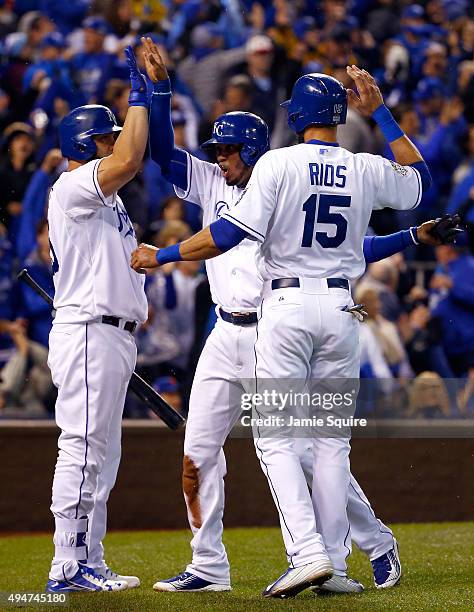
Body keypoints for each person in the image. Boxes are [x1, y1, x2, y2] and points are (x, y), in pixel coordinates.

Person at [133, 42, 436, 596]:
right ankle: (214, 566)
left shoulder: (277, 169)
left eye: (227, 149)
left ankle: (347, 548)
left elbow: (229, 236)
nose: (219, 158)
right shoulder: (342, 168)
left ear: (276, 130)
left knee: (293, 446)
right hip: (269, 322)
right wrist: (157, 92)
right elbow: (412, 192)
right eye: (216, 150)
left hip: (281, 318)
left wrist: (166, 255)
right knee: (259, 447)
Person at [45, 41, 150, 593]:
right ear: (86, 144)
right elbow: (130, 159)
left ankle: (89, 558)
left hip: (109, 333)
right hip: (88, 329)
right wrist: (141, 93)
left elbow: (127, 161)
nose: (115, 146)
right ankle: (67, 565)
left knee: (101, 457)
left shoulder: (103, 200)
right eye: (106, 139)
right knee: (83, 448)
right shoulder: (71, 186)